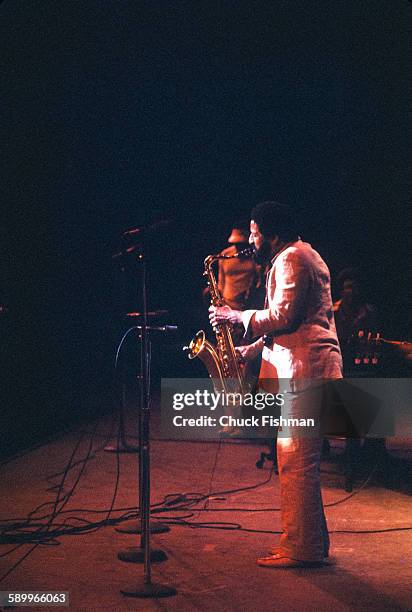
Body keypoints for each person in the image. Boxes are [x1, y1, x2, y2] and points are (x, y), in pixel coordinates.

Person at [209, 201, 343, 568]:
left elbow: (284, 314)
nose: (251, 239)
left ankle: (300, 549)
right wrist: (250, 351)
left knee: (296, 461)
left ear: (273, 233)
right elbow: (290, 324)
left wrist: (237, 315)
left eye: (254, 232)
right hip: (305, 367)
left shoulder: (292, 259)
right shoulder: (297, 255)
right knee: (298, 461)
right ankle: (310, 545)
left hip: (306, 370)